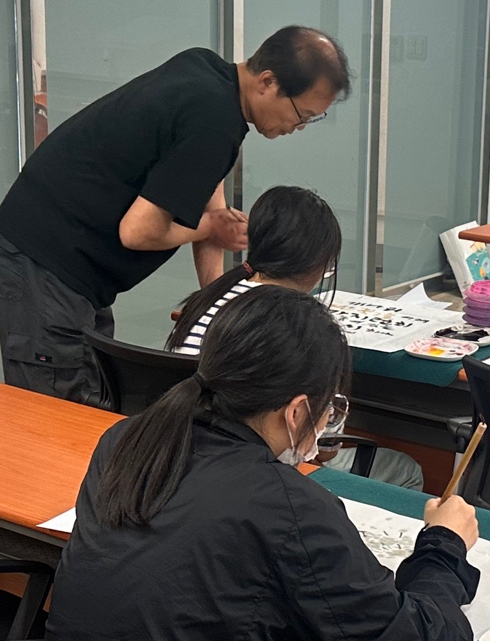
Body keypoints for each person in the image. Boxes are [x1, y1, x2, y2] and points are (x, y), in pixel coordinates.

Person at [41, 284, 479, 641]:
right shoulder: (287, 505)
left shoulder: (126, 443)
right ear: (297, 412)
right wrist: (445, 548)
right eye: (328, 409)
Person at [0, 26, 351, 405]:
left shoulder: (208, 75)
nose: (299, 127)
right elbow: (138, 231)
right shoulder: (214, 124)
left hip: (68, 259)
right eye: (302, 114)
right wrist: (208, 228)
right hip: (46, 256)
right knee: (59, 407)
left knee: (95, 391)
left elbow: (209, 194)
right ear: (267, 82)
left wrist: (215, 300)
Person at [168, 184, 425, 489]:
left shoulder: (206, 300)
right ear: (319, 263)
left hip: (186, 453)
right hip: (254, 469)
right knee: (406, 470)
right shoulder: (304, 329)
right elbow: (323, 452)